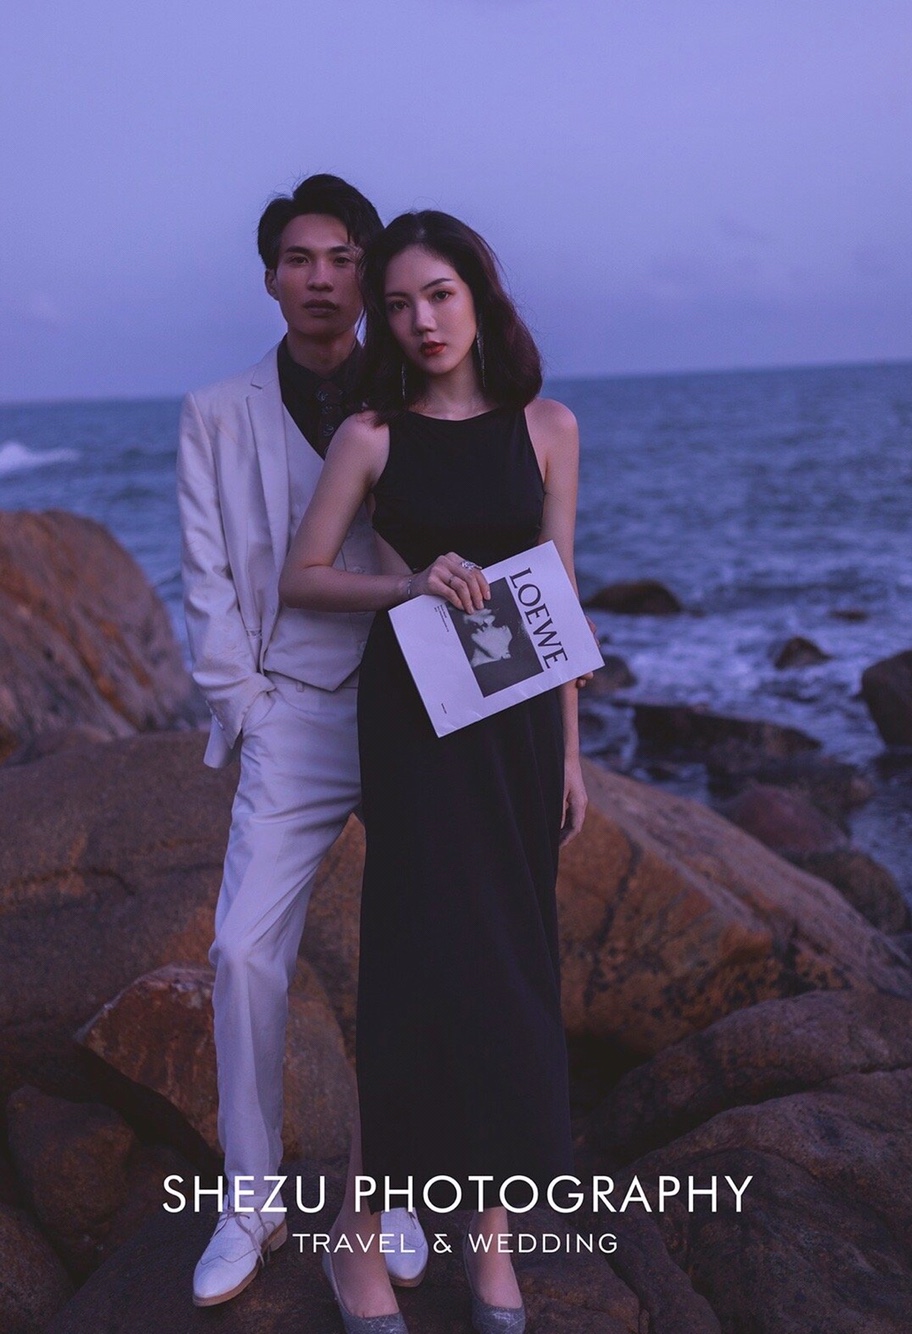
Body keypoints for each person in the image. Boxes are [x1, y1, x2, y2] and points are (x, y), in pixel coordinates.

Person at [280, 210, 587, 1334]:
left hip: (520, 731)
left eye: (440, 294)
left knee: (512, 972)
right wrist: (407, 585)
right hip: (418, 723)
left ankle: (489, 1245)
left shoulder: (548, 427)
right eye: (400, 303)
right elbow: (304, 576)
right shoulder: (371, 436)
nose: (421, 320)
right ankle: (357, 1241)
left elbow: (559, 593)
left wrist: (573, 751)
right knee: (416, 974)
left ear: (479, 296)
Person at [176, 174, 426, 1308]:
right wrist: (250, 707)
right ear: (271, 276)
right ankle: (251, 1200)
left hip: (421, 702)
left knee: (421, 949)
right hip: (296, 709)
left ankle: (400, 1187)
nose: (321, 279)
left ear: (368, 272)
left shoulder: (420, 387)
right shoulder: (215, 411)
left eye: (342, 258)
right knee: (240, 951)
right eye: (298, 259)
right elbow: (206, 576)